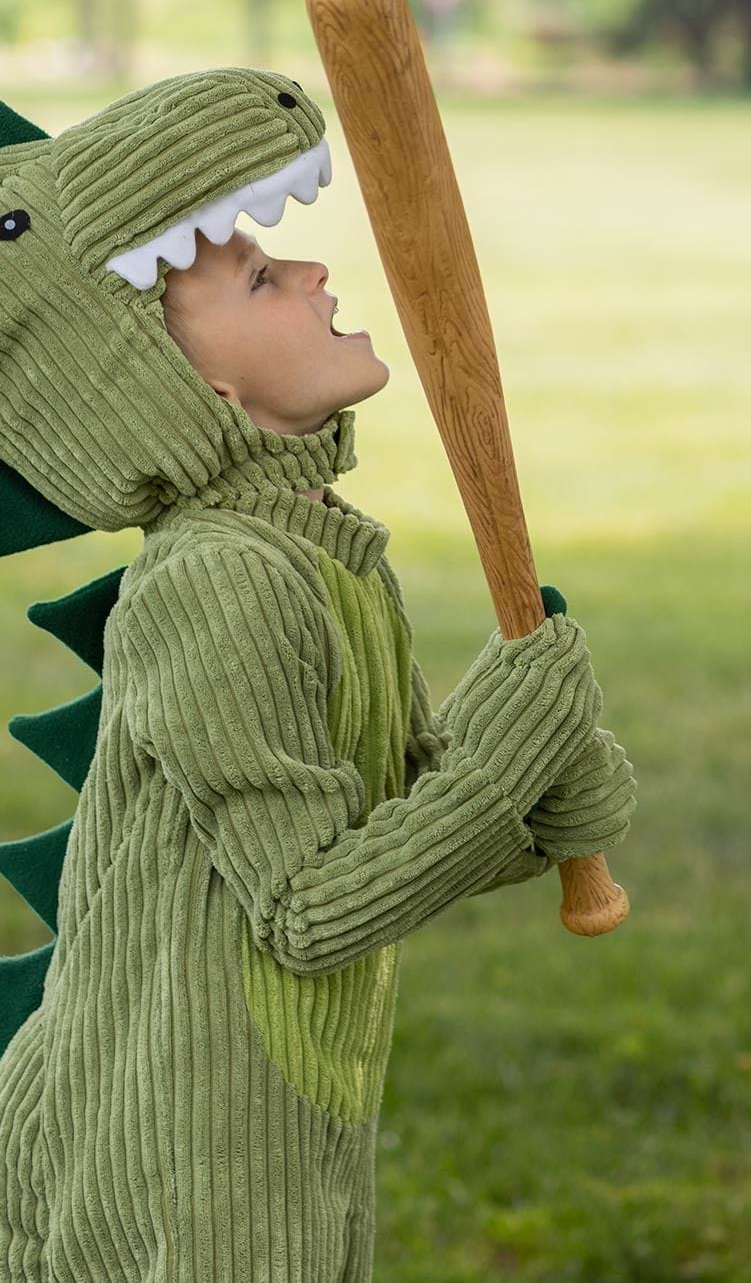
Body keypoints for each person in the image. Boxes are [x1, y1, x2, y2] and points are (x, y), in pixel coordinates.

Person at [0, 69, 634, 1283]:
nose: (311, 272)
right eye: (254, 276)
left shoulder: (312, 548)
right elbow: (309, 912)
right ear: (193, 390)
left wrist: (545, 800)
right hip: (189, 1149)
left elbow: (387, 843)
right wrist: (500, 760)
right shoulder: (220, 581)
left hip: (282, 1101)